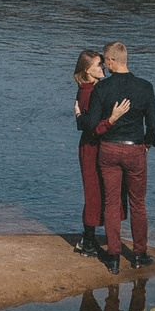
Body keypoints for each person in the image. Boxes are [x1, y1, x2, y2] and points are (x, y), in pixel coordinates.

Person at [82, 40, 155, 272]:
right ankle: (139, 255)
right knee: (138, 204)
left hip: (109, 150)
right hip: (135, 149)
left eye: (106, 61)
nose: (105, 65)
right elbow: (153, 124)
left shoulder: (102, 88)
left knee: (112, 204)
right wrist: (146, 143)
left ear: (112, 61)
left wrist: (79, 116)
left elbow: (92, 124)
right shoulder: (145, 86)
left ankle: (113, 257)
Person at [69, 49, 108, 256]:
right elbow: (92, 126)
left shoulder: (93, 89)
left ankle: (89, 238)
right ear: (87, 69)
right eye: (98, 64)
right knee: (94, 192)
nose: (103, 67)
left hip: (95, 146)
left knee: (98, 191)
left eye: (102, 63)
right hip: (92, 147)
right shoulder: (87, 92)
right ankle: (88, 240)